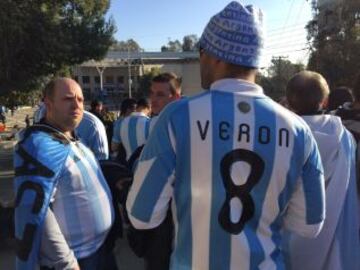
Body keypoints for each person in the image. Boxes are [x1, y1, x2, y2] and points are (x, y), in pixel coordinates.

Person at [126, 2, 326, 269]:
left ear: (214, 55)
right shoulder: (299, 130)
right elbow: (310, 224)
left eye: (200, 52)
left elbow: (142, 215)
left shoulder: (177, 118)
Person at [14, 78, 115, 270]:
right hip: (78, 260)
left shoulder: (71, 139)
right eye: (68, 98)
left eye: (80, 99)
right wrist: (66, 263)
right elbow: (38, 213)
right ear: (48, 103)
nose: (77, 105)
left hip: (100, 250)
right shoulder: (38, 146)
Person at [284, 71, 360, 270]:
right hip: (338, 249)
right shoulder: (346, 139)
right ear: (325, 102)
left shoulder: (282, 140)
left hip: (290, 247)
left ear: (290, 103)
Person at [112, 98, 151, 165]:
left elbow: (113, 147)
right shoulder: (150, 123)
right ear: (149, 108)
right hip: (146, 164)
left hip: (128, 164)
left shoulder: (120, 123)